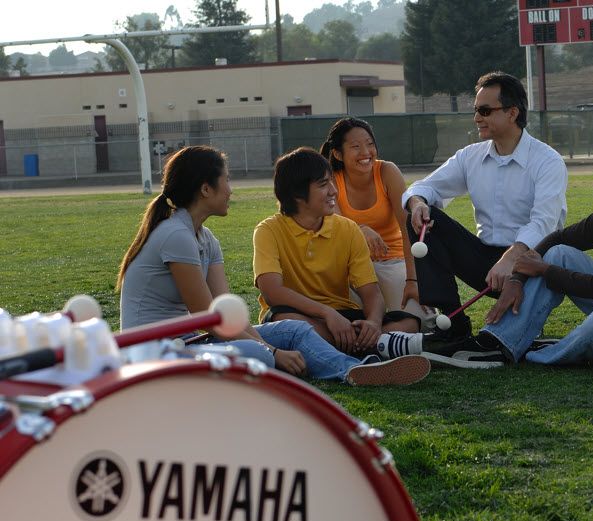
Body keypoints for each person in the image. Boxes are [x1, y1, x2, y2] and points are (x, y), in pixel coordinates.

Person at [118, 145, 429, 386]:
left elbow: (227, 313)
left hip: (192, 340)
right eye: (226, 180)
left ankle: (357, 370)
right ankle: (341, 364)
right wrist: (270, 350)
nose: (231, 190)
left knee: (293, 330)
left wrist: (269, 343)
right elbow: (208, 318)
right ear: (205, 188)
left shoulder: (205, 237)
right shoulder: (176, 236)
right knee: (257, 356)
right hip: (156, 351)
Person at [379, 141, 593, 366]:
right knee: (561, 251)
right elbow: (559, 237)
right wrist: (519, 277)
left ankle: (537, 355)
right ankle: (501, 345)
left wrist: (543, 271)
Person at [401, 71, 568, 339]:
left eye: (485, 110)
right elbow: (424, 187)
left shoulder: (548, 161)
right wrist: (417, 202)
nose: (477, 117)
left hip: (530, 266)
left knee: (499, 340)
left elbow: (544, 223)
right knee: (425, 216)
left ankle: (519, 318)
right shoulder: (470, 156)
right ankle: (452, 324)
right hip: (485, 265)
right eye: (476, 110)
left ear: (512, 113)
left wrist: (510, 258)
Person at [253, 147, 422, 358]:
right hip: (300, 315)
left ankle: (343, 345)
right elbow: (272, 292)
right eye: (323, 185)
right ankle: (372, 347)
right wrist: (327, 313)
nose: (334, 191)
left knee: (409, 322)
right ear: (297, 193)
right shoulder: (268, 230)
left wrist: (373, 323)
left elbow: (371, 292)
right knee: (287, 322)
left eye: (332, 182)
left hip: (342, 317)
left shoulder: (348, 229)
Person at [318, 117, 427, 323]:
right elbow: (336, 223)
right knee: (352, 322)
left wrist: (412, 280)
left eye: (370, 144)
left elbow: (407, 229)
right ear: (338, 154)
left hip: (392, 261)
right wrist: (360, 229)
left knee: (419, 321)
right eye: (356, 147)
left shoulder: (387, 171)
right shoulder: (331, 179)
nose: (366, 153)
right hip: (352, 267)